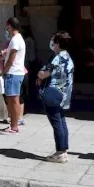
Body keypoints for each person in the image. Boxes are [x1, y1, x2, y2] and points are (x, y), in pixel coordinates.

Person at [37, 31, 74, 163]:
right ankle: (64, 150)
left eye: (53, 40)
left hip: (53, 93)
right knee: (61, 121)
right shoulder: (67, 57)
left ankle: (60, 152)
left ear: (57, 43)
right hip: (64, 94)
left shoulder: (57, 58)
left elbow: (44, 74)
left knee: (56, 122)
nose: (51, 42)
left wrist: (39, 74)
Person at [0, 17, 26, 135]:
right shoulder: (16, 39)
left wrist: (4, 71)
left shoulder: (15, 40)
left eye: (7, 26)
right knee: (11, 99)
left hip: (13, 73)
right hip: (14, 73)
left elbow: (11, 59)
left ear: (10, 26)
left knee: (14, 99)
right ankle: (13, 125)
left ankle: (14, 127)